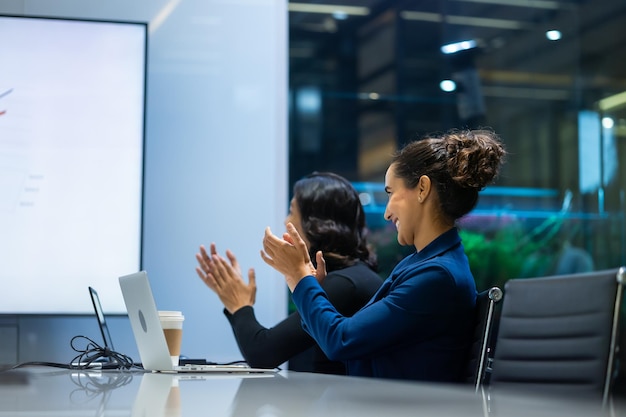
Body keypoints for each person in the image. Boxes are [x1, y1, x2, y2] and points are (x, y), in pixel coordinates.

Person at [260, 128, 506, 381]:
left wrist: (300, 280)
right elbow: (343, 337)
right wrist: (305, 285)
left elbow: (342, 341)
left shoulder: (437, 275)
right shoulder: (423, 264)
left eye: (390, 193)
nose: (387, 213)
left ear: (422, 188)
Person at [195, 172, 382, 374]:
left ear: (316, 225)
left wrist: (240, 305)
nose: (286, 221)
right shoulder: (354, 276)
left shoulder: (345, 284)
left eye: (292, 211)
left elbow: (262, 353)